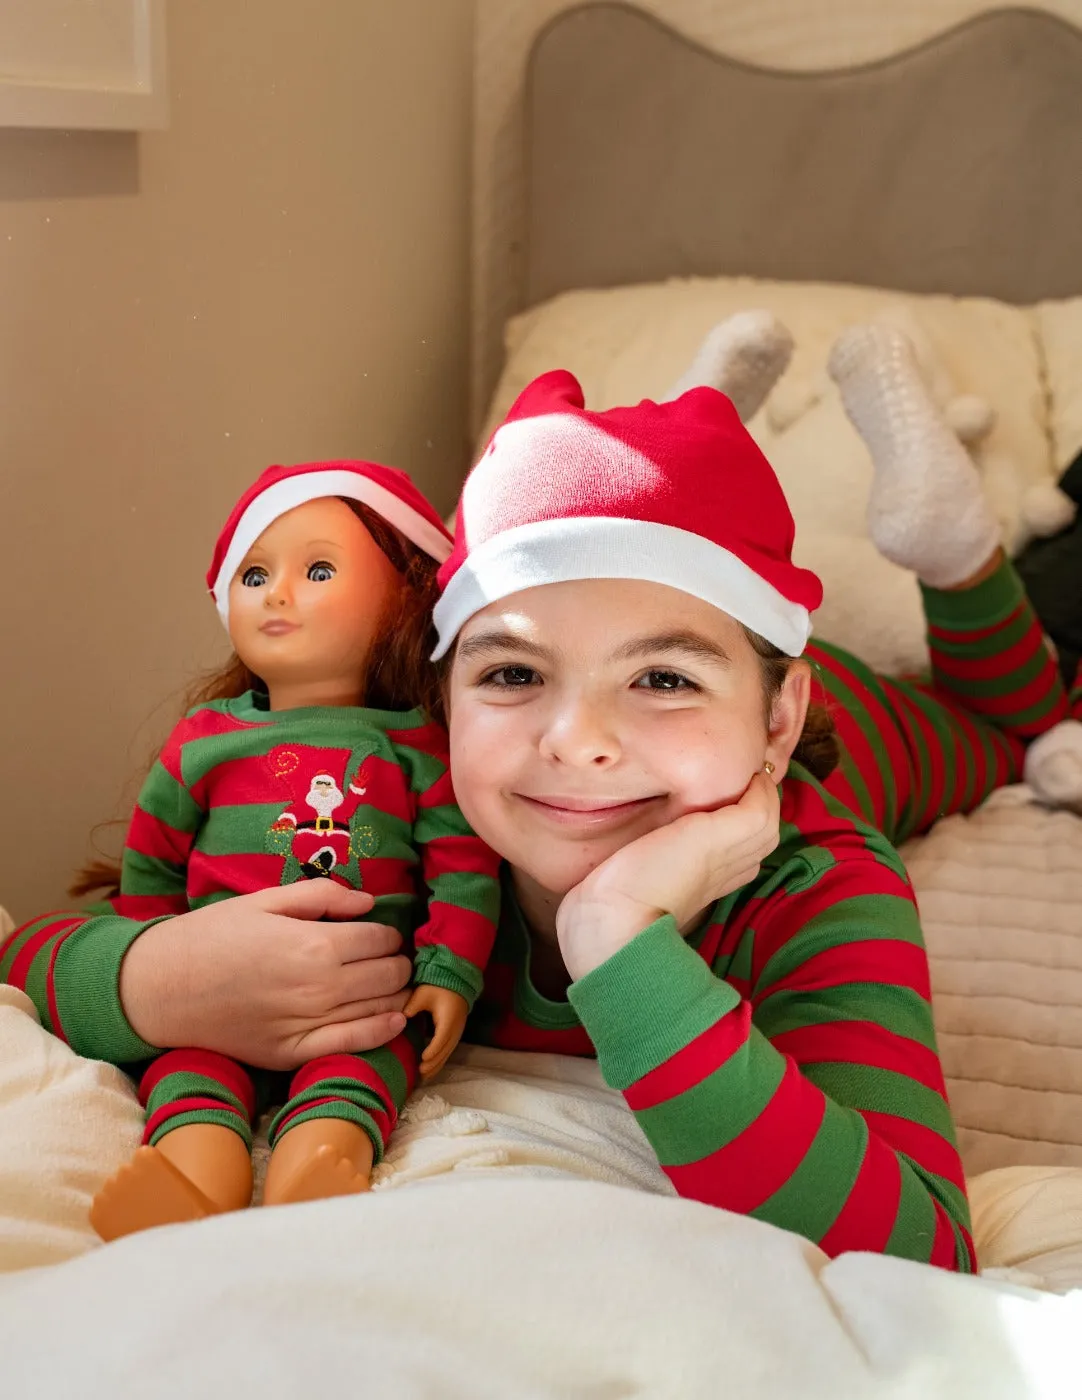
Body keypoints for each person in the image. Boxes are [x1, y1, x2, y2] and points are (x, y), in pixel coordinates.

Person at [5, 320, 1080, 1273]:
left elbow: (919, 1242)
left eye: (661, 677)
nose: (577, 744)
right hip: (722, 669)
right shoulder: (387, 815)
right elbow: (46, 952)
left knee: (1014, 725)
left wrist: (619, 943)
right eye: (511, 673)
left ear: (774, 718)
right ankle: (671, 441)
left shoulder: (816, 877)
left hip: (862, 725)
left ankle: (951, 552)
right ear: (440, 700)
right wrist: (156, 977)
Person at [72, 460, 502, 1240]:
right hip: (214, 1002)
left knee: (361, 1073)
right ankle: (192, 1175)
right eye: (256, 573)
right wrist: (160, 956)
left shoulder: (416, 748)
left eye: (319, 569)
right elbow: (152, 863)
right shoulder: (204, 744)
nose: (278, 592)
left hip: (362, 1003)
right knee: (191, 1077)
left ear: (406, 596)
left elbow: (464, 870)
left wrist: (448, 976)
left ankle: (320, 1162)